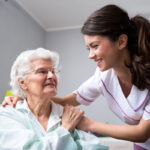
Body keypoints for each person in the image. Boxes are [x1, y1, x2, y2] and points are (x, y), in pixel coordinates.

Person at [2, 4, 150, 150]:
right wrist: (24, 97)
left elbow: (142, 132)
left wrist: (87, 124)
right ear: (22, 82)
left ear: (121, 41)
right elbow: (69, 100)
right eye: (42, 71)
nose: (90, 55)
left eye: (95, 46)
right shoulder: (103, 77)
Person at [0, 48, 108, 150]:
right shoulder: (7, 114)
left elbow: (95, 147)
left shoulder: (67, 114)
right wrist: (65, 129)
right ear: (23, 83)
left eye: (53, 71)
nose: (52, 76)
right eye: (42, 71)